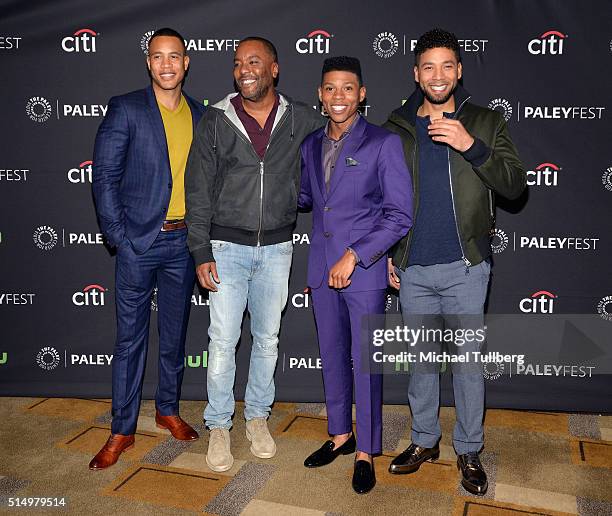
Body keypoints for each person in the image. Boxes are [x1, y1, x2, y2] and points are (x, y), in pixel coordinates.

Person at [384, 28, 525, 495]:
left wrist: (471, 145)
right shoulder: (398, 125)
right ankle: (425, 440)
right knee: (422, 363)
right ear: (416, 73)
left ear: (460, 71)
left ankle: (469, 449)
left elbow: (514, 185)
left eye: (448, 65)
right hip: (414, 268)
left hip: (466, 268)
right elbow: (385, 200)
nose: (438, 75)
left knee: (466, 365)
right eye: (429, 66)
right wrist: (390, 252)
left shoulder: (484, 122)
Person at [185, 36, 324, 473]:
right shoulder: (215, 119)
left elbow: (342, 144)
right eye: (239, 62)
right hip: (225, 248)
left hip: (279, 246)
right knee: (223, 342)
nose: (245, 69)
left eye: (255, 61)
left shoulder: (301, 118)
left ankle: (257, 417)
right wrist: (200, 249)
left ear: (274, 69)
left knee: (267, 340)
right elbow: (197, 189)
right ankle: (219, 425)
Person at [90, 28, 205, 470]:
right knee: (130, 339)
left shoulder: (199, 113)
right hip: (139, 241)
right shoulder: (127, 108)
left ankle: (167, 410)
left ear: (186, 61)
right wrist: (119, 236)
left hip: (182, 242)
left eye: (174, 56)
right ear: (148, 62)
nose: (166, 65)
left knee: (174, 336)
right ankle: (122, 429)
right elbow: (104, 178)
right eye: (158, 57)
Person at [299, 57, 413, 494]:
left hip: (362, 272)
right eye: (330, 88)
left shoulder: (382, 143)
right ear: (321, 95)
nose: (339, 96)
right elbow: (309, 199)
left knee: (365, 365)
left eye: (348, 88)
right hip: (320, 270)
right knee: (331, 356)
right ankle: (340, 435)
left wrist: (358, 253)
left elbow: (399, 214)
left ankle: (366, 450)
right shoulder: (310, 144)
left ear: (361, 94)